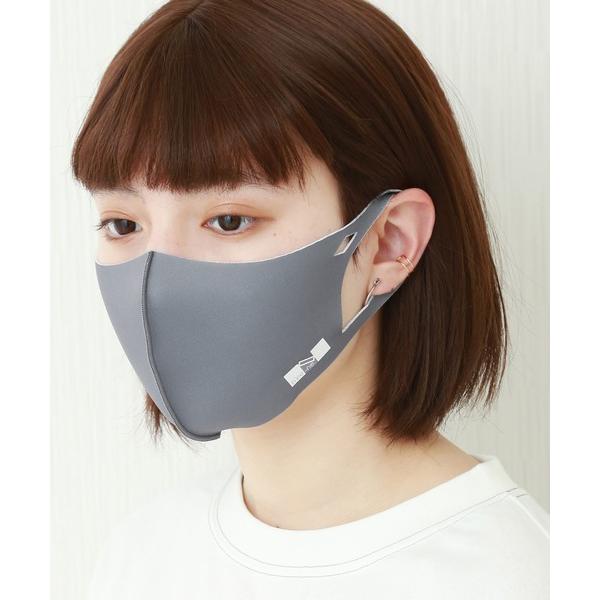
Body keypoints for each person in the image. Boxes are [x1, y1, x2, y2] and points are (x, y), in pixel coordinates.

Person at [72, 0, 549, 598]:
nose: (157, 278)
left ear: (388, 242)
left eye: (229, 220)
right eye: (122, 224)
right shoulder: (141, 556)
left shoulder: (522, 576)